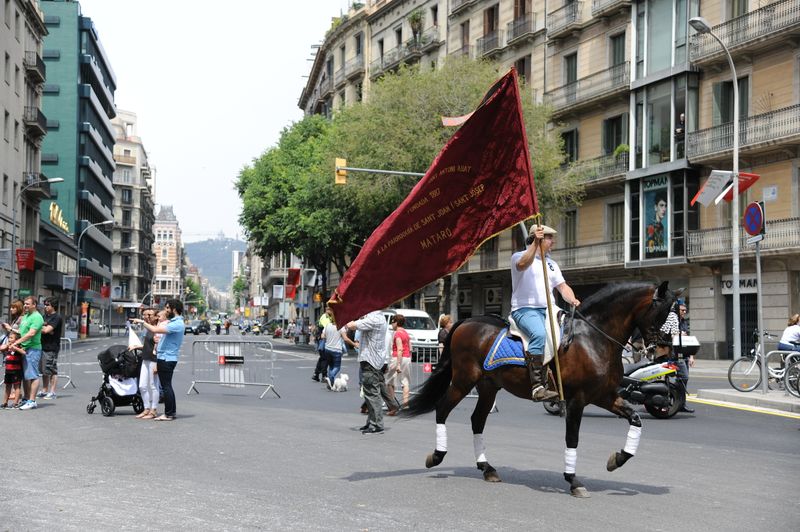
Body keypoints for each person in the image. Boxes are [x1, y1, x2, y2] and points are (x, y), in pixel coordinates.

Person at [510, 224, 580, 402]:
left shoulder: (551, 264)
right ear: (537, 238)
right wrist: (535, 244)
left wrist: (572, 299)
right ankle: (537, 387)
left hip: (550, 309)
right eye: (548, 237)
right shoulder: (518, 256)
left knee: (573, 332)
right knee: (539, 335)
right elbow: (523, 264)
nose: (552, 241)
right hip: (525, 310)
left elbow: (562, 287)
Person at [131, 299, 184, 421]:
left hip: (167, 358)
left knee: (166, 387)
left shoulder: (176, 323)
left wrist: (141, 321)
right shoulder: (174, 322)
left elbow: (155, 330)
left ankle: (169, 413)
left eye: (167, 308)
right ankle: (170, 413)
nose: (166, 310)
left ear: (174, 309)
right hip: (164, 357)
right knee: (166, 386)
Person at [347, 310, 389, 434]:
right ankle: (371, 422)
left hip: (371, 361)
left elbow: (352, 325)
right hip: (374, 360)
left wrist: (346, 316)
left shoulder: (374, 319)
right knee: (369, 394)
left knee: (372, 394)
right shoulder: (378, 317)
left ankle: (377, 424)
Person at [11, 296, 45, 410]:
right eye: (24, 304)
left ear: (34, 305)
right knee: (26, 376)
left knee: (33, 375)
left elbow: (31, 333)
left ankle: (32, 401)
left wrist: (16, 343)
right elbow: (21, 332)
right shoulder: (26, 316)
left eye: (28, 304)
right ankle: (26, 399)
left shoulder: (37, 317)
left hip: (33, 349)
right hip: (24, 349)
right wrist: (10, 330)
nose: (25, 306)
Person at [660, 303, 694, 413]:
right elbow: (667, 334)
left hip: (683, 354)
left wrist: (692, 356)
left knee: (684, 379)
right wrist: (679, 334)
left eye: (685, 310)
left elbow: (687, 340)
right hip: (672, 355)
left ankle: (681, 404)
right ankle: (666, 402)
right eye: (682, 310)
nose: (684, 312)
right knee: (668, 378)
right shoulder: (670, 320)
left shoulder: (684, 322)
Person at [136, 308, 160, 419]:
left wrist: (156, 363)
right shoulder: (148, 329)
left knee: (153, 386)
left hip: (153, 360)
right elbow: (148, 345)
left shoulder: (158, 329)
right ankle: (146, 408)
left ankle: (153, 409)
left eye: (150, 315)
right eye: (145, 315)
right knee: (142, 386)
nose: (147, 317)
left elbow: (157, 347)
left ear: (156, 317)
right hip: (145, 359)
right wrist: (137, 346)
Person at [40, 297, 64, 400]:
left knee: (51, 369)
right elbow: (45, 329)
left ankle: (52, 391)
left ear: (53, 306)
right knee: (44, 370)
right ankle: (45, 390)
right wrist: (44, 328)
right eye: (45, 304)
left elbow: (47, 330)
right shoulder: (43, 316)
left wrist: (42, 328)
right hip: (42, 345)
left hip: (52, 347)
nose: (45, 307)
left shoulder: (56, 318)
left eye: (47, 305)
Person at [386, 314, 411, 411]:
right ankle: (405, 404)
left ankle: (392, 404)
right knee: (405, 382)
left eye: (392, 322)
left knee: (390, 381)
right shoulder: (406, 333)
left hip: (397, 358)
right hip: (407, 357)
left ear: (396, 322)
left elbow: (400, 349)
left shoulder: (397, 334)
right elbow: (410, 347)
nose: (392, 324)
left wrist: (398, 364)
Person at [1, 329, 25, 408]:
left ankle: (15, 403)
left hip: (16, 371)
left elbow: (24, 352)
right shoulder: (8, 347)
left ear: (16, 340)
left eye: (11, 338)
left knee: (16, 387)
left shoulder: (18, 347)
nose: (9, 339)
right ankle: (5, 403)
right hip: (8, 371)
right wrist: (8, 345)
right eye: (9, 338)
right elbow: (1, 348)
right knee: (7, 386)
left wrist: (15, 347)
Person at [321, 307, 344, 388]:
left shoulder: (327, 326)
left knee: (331, 366)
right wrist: (354, 344)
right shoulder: (340, 326)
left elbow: (322, 336)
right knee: (337, 367)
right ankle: (330, 377)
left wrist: (328, 336)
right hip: (337, 350)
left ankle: (331, 383)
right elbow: (345, 338)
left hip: (328, 349)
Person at [312, 310, 333, 382]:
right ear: (327, 310)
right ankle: (324, 375)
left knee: (322, 358)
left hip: (324, 341)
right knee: (325, 358)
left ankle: (316, 374)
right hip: (323, 341)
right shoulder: (325, 317)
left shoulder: (329, 317)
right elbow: (327, 328)